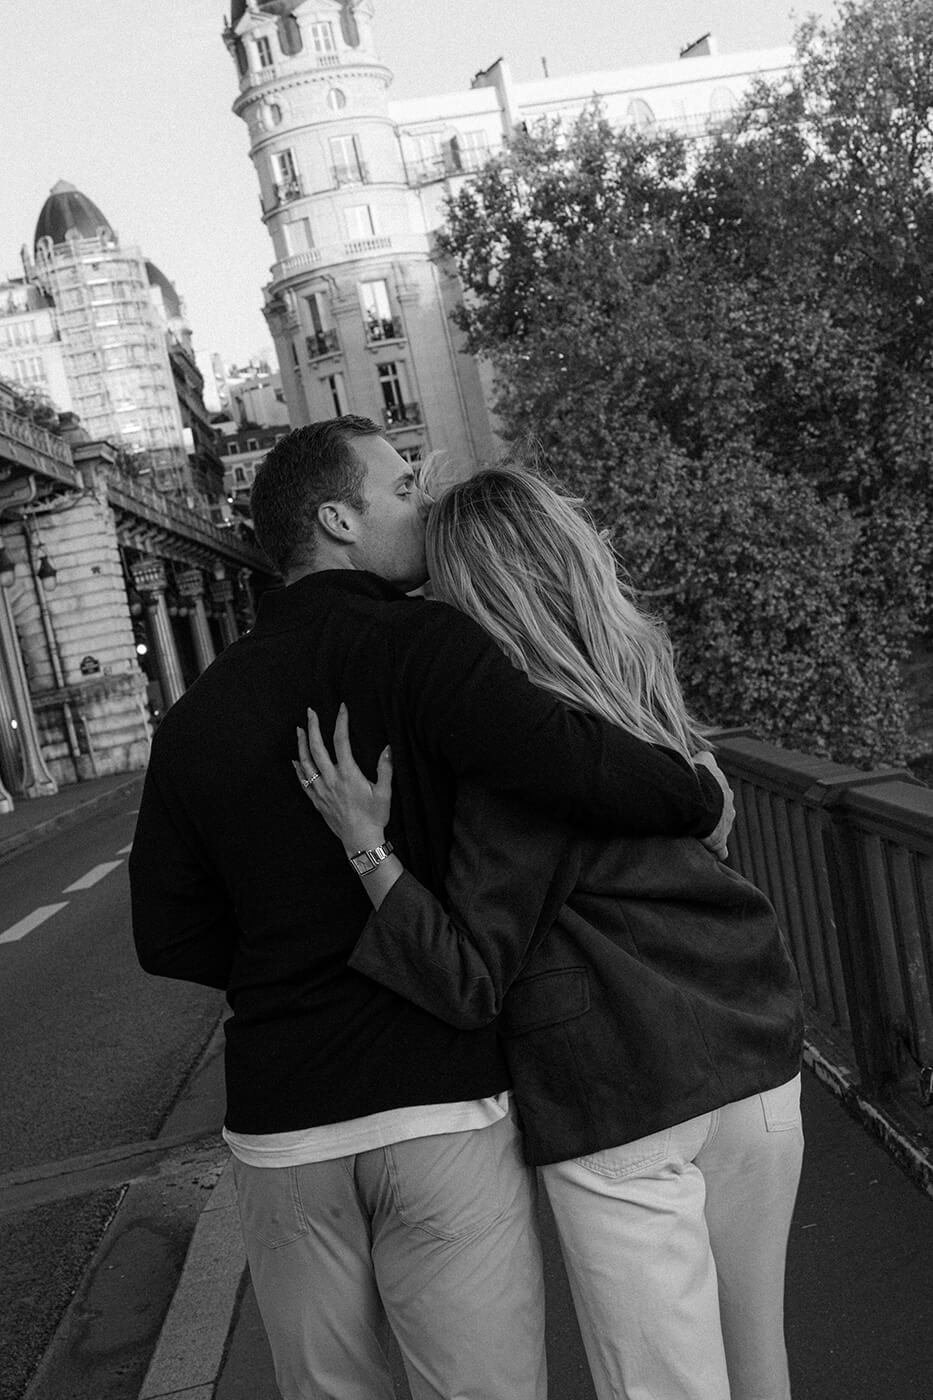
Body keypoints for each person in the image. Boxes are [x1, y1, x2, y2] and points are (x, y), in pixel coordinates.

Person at [129, 417, 734, 1400]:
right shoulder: (428, 648)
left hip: (285, 1124)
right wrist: (698, 788)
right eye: (402, 488)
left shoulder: (199, 713)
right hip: (438, 1103)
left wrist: (293, 958)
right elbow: (577, 767)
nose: (423, 507)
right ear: (337, 517)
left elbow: (169, 934)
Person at [294, 462, 805, 1400]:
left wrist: (367, 848)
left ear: (467, 597)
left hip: (621, 1095)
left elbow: (468, 977)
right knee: (758, 1370)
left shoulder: (514, 765)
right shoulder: (642, 694)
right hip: (755, 1060)